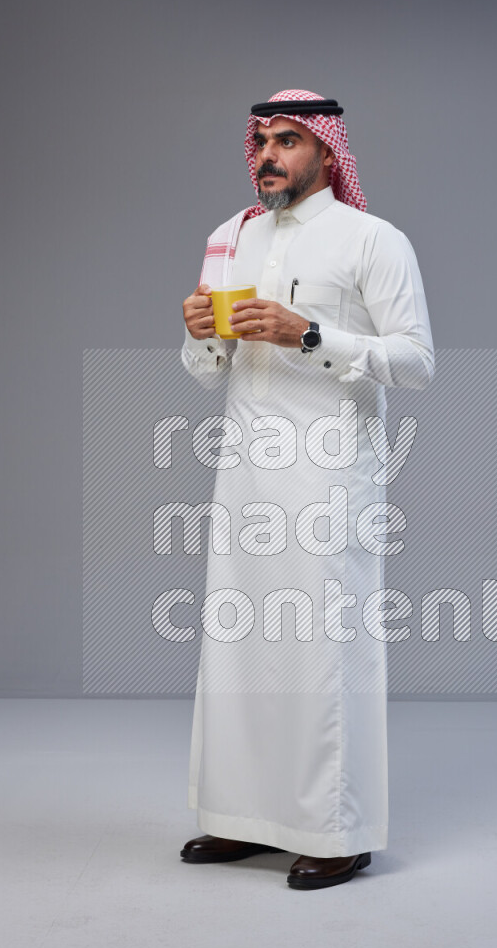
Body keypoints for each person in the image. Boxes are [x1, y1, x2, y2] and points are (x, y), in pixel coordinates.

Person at [180, 89, 434, 889]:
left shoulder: (372, 239)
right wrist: (198, 336)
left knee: (324, 648)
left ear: (327, 151)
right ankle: (240, 817)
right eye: (261, 140)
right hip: (244, 473)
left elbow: (417, 361)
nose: (269, 155)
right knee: (240, 645)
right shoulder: (231, 237)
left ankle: (335, 831)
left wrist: (311, 334)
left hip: (330, 476)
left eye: (288, 140)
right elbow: (208, 371)